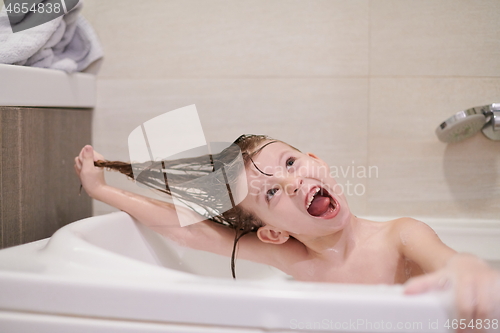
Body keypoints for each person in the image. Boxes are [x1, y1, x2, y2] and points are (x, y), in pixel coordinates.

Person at [74, 134, 499, 331]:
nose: (293, 182)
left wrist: (466, 269)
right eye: (272, 192)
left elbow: (446, 260)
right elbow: (192, 233)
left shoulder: (401, 236)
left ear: (318, 161)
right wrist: (103, 190)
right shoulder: (295, 260)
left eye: (291, 164)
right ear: (273, 234)